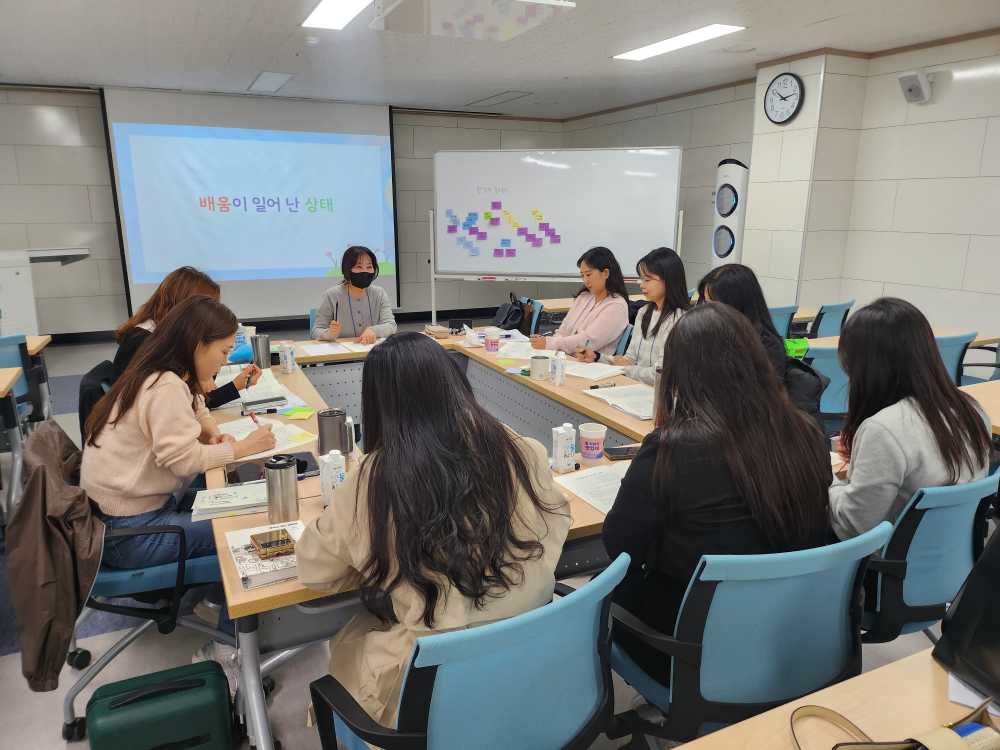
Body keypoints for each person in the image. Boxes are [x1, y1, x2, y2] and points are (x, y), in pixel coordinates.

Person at [297, 332, 570, 727]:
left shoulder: (375, 477)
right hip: (528, 655)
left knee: (353, 646)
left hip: (442, 682)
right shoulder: (515, 445)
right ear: (453, 383)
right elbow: (557, 520)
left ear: (378, 403)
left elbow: (314, 570)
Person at [602, 303, 832, 684]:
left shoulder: (671, 447)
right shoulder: (805, 431)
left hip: (690, 647)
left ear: (679, 374)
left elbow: (619, 546)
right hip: (789, 631)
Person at [82, 296, 277, 567]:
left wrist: (211, 435)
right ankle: (218, 604)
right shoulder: (165, 386)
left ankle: (214, 598)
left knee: (246, 503)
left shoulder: (163, 371)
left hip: (127, 517)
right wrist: (244, 448)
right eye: (223, 352)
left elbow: (197, 407)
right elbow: (184, 461)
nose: (226, 360)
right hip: (130, 533)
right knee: (251, 526)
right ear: (198, 345)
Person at [829, 298, 991, 539]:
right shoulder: (972, 409)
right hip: (952, 561)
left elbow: (853, 526)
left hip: (889, 568)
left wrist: (828, 483)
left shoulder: (884, 429)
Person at [112, 266, 260, 408]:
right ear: (187, 307)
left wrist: (232, 384)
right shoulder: (145, 344)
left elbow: (196, 400)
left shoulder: (163, 337)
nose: (213, 316)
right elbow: (187, 406)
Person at [574, 247, 689, 384]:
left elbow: (659, 374)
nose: (641, 284)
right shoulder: (644, 312)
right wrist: (597, 357)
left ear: (668, 280)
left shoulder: (680, 320)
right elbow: (629, 359)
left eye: (648, 280)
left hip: (659, 396)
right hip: (635, 387)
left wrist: (625, 370)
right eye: (641, 279)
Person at [529, 246, 629, 357]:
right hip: (567, 359)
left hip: (592, 368)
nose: (585, 280)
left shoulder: (616, 307)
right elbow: (563, 331)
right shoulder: (584, 297)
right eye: (582, 275)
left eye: (589, 274)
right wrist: (550, 346)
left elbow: (588, 341)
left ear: (605, 273)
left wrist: (549, 343)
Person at [697, 263, 785, 377]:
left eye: (713, 305)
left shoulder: (766, 348)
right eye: (706, 303)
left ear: (736, 304)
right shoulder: (715, 334)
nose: (706, 310)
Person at [313, 245, 397, 345]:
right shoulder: (332, 295)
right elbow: (315, 331)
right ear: (347, 270)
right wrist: (329, 334)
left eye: (369, 267)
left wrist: (373, 330)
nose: (365, 271)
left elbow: (391, 325)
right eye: (359, 266)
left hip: (373, 353)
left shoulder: (379, 293)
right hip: (341, 355)